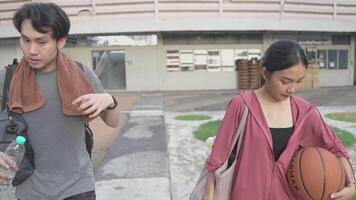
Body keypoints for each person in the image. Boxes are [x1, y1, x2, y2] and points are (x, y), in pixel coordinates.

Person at [204, 40, 356, 200]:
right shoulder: (241, 106)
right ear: (265, 73)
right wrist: (209, 194)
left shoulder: (304, 111)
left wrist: (351, 185)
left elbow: (335, 147)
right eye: (285, 81)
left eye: (299, 81)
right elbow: (218, 157)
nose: (292, 89)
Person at [0, 2, 120, 200]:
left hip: (78, 187)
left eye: (41, 42)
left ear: (60, 41)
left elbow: (113, 121)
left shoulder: (82, 74)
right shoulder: (8, 77)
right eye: (25, 40)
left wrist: (109, 100)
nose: (31, 50)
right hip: (29, 190)